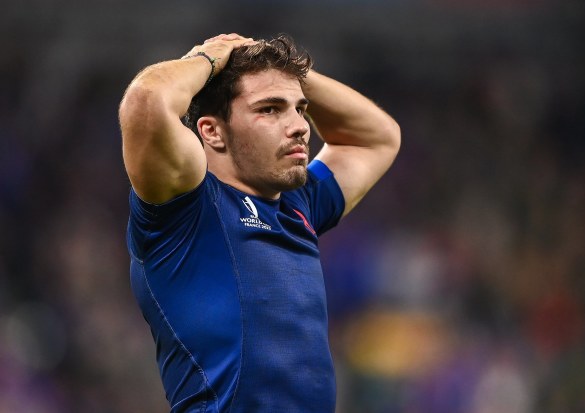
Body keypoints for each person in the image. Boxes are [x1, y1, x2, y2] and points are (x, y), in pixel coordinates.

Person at [119, 33, 400, 413]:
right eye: (270, 109)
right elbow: (145, 103)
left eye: (300, 108)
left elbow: (377, 138)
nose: (300, 126)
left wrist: (287, 72)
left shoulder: (298, 205)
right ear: (212, 131)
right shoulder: (183, 209)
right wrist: (210, 58)